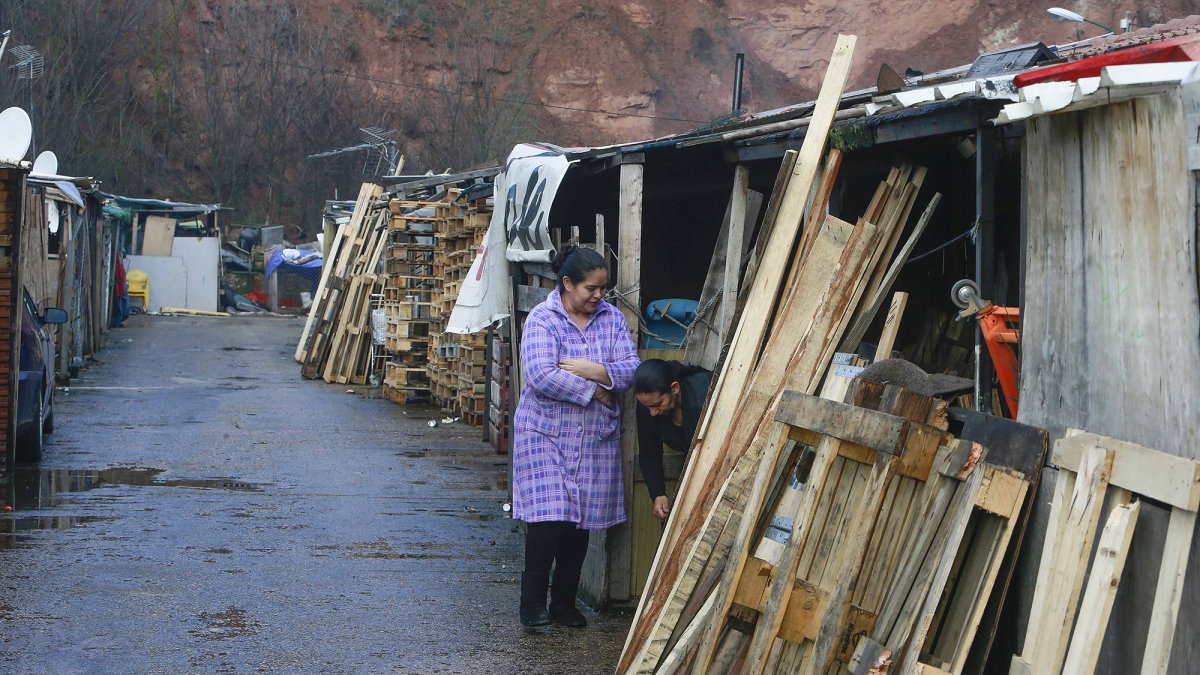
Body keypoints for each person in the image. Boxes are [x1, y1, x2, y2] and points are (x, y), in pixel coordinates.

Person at [511, 243, 639, 628]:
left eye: (602, 289)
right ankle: (532, 604)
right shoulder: (543, 319)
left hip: (593, 437)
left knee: (578, 522)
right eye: (591, 289)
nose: (598, 296)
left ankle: (564, 602)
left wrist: (593, 369)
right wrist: (594, 391)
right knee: (549, 519)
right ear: (567, 284)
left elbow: (630, 369)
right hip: (544, 433)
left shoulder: (611, 319)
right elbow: (539, 374)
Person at [634, 359, 713, 522]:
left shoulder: (705, 392)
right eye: (648, 407)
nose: (653, 412)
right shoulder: (648, 407)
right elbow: (649, 454)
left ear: (674, 388)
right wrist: (658, 494)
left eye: (657, 404)